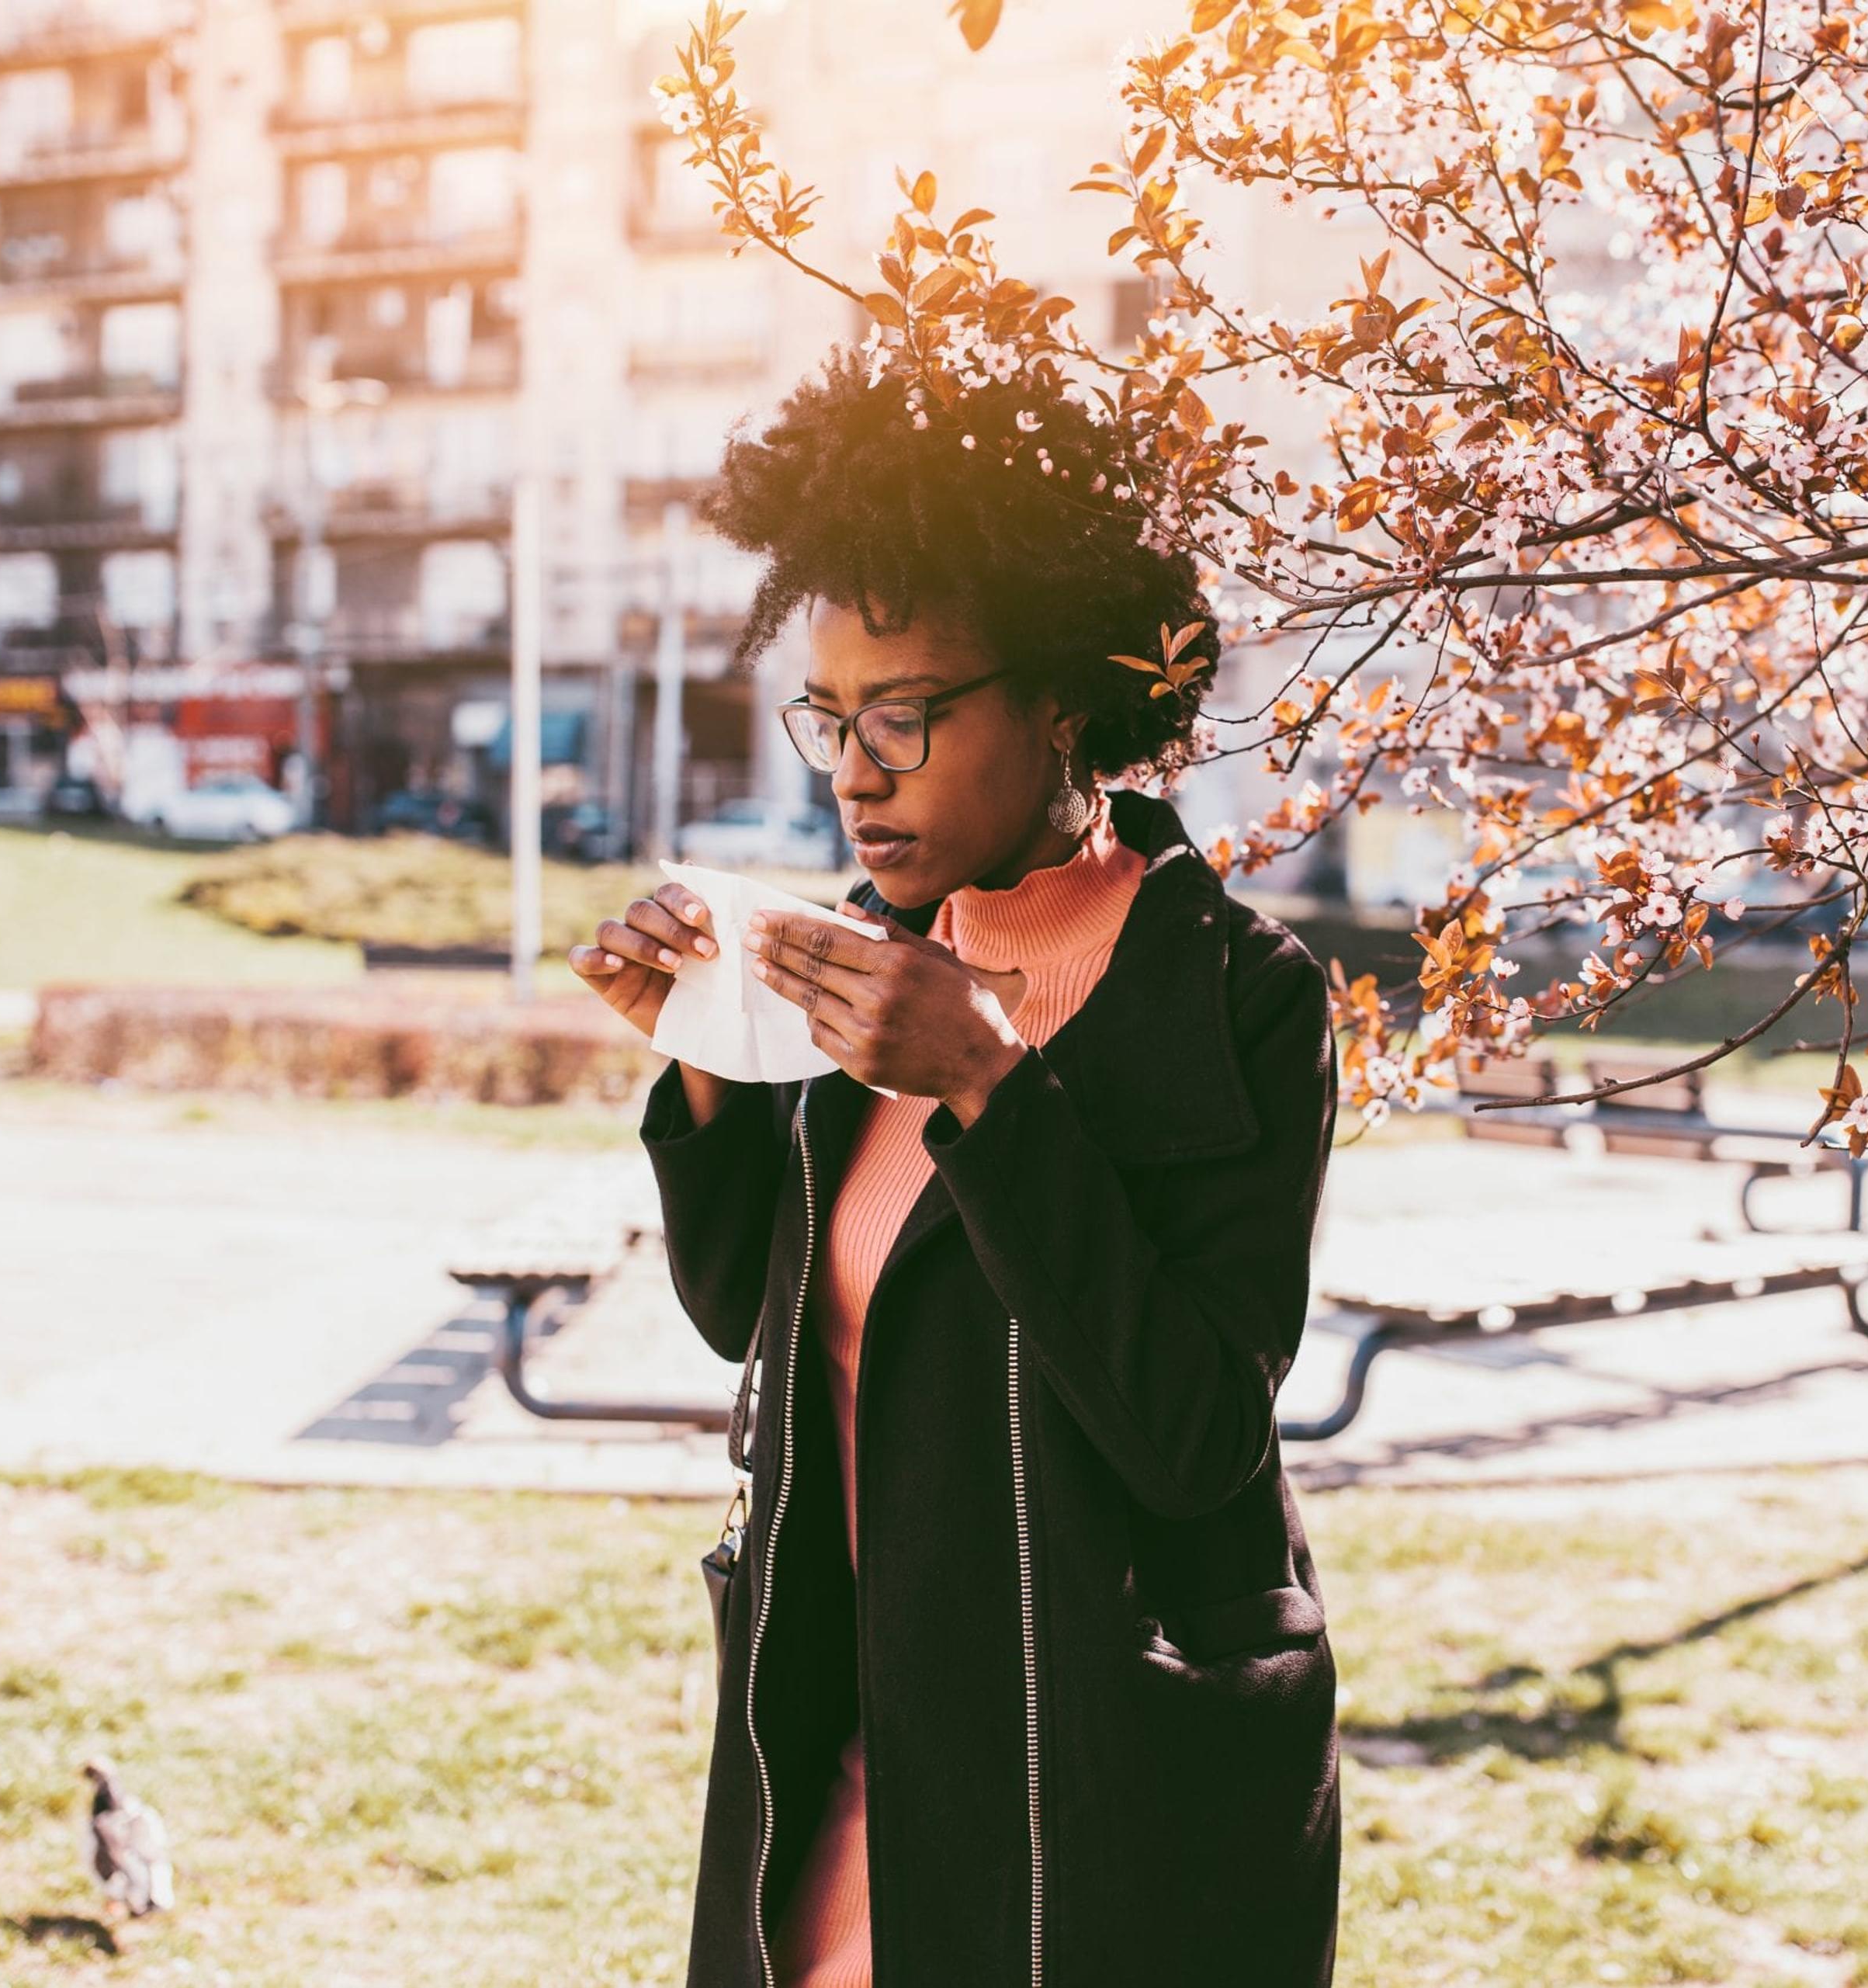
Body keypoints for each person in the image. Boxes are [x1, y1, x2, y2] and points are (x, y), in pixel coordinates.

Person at [569, 347, 1343, 1987]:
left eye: (906, 717)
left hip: (1107, 1792)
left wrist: (987, 1088)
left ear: (1062, 695)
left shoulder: (1237, 998)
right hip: (845, 1753)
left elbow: (1199, 1432)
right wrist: (704, 1049)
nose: (857, 771)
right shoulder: (856, 960)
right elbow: (747, 1323)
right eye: (831, 719)